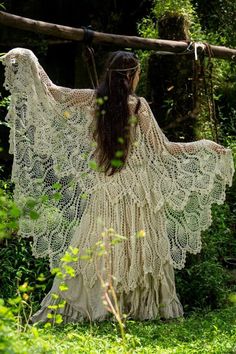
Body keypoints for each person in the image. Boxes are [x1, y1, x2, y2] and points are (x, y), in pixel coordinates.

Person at [1, 48, 234, 322]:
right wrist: (204, 146)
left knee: (99, 244)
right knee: (139, 248)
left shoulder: (92, 99)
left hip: (107, 185)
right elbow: (164, 149)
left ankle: (89, 305)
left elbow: (53, 92)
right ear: (131, 76)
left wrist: (29, 58)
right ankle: (141, 307)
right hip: (138, 189)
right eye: (137, 74)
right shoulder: (138, 106)